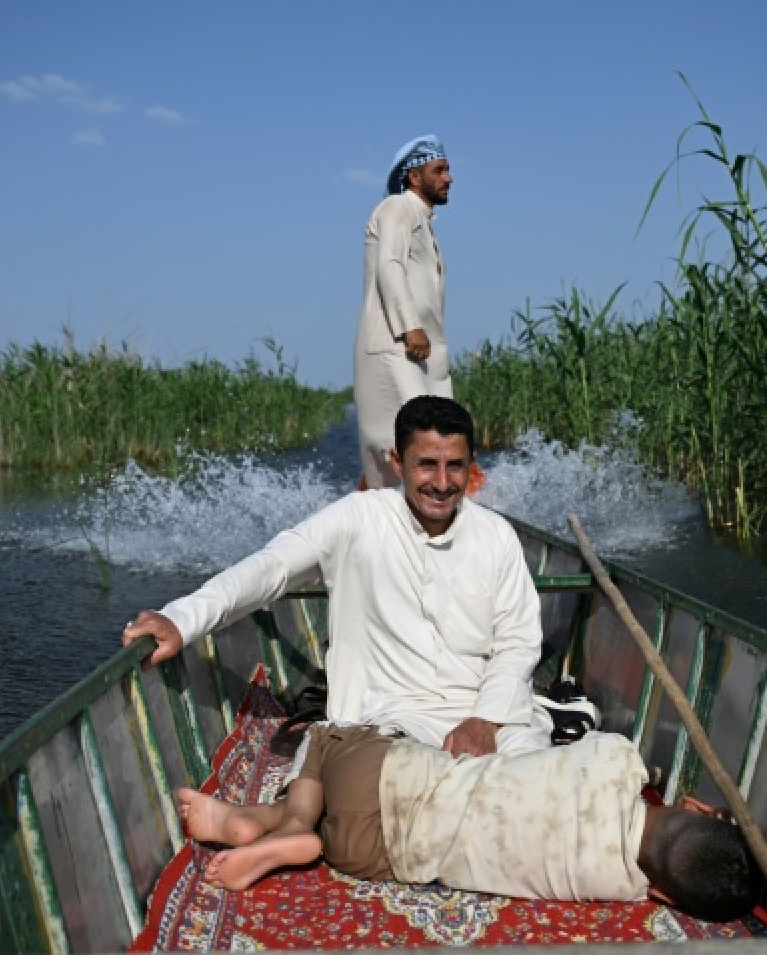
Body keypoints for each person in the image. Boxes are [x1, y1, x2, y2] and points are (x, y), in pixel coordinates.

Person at [123, 395, 553, 758]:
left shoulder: (495, 534)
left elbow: (517, 641)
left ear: (471, 467)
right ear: (397, 462)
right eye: (427, 466)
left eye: (455, 467)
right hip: (390, 721)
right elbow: (272, 567)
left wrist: (484, 721)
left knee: (543, 778)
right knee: (396, 781)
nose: (442, 483)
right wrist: (181, 620)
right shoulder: (357, 518)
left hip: (489, 713)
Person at [176, 724, 764, 924]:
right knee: (336, 832)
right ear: (661, 894)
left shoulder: (616, 757)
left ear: (693, 808)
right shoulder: (617, 885)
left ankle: (284, 820)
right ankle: (278, 828)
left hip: (387, 774)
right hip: (373, 850)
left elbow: (597, 753)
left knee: (329, 739)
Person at [354, 135, 454, 488]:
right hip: (396, 345)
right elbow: (390, 266)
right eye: (439, 170)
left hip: (422, 354)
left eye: (448, 170)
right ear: (414, 177)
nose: (449, 178)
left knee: (431, 441)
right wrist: (410, 326)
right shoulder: (397, 207)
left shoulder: (423, 220)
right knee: (413, 443)